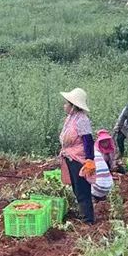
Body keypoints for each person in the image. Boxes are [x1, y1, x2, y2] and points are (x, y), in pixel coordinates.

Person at [56, 87, 96, 224]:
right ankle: (84, 214)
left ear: (73, 106)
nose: (64, 105)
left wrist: (90, 159)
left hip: (80, 159)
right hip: (70, 157)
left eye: (67, 103)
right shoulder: (71, 118)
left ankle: (88, 219)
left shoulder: (82, 120)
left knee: (82, 189)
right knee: (76, 188)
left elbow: (88, 141)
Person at [91, 130, 122, 202]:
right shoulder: (97, 152)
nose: (105, 143)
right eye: (103, 141)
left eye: (106, 141)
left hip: (109, 169)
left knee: (121, 169)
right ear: (99, 142)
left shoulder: (111, 149)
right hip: (99, 172)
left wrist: (114, 165)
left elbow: (113, 160)